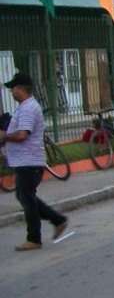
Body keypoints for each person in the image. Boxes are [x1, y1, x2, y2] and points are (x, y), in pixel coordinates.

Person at [1, 73, 70, 251]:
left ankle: (34, 238)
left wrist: (4, 136)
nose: (11, 92)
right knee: (25, 196)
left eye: (13, 88)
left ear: (20, 89)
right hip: (25, 160)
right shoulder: (24, 107)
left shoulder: (28, 108)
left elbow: (23, 134)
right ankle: (58, 220)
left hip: (29, 161)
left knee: (27, 198)